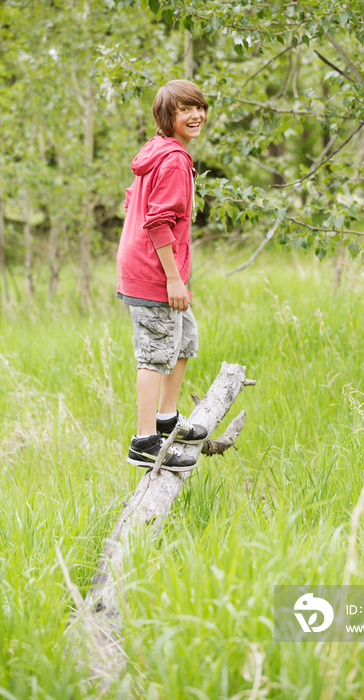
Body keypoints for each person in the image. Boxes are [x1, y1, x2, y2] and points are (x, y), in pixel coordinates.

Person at [116, 80, 209, 473]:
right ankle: (145, 441)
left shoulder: (161, 152)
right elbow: (157, 223)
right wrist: (172, 278)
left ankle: (168, 419)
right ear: (166, 117)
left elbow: (132, 200)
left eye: (199, 107)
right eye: (184, 109)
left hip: (155, 268)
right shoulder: (171, 159)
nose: (195, 115)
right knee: (155, 355)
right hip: (155, 274)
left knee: (184, 340)